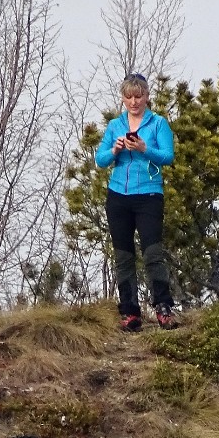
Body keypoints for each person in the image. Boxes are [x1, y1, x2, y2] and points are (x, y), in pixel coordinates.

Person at [95, 73, 177, 331]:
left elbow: (168, 156)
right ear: (123, 98)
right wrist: (115, 150)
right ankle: (130, 313)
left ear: (147, 97)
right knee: (123, 256)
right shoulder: (114, 125)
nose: (134, 102)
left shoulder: (158, 124)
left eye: (138, 96)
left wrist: (144, 148)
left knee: (153, 253)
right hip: (118, 196)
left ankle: (163, 308)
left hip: (149, 194)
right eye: (129, 97)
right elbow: (100, 160)